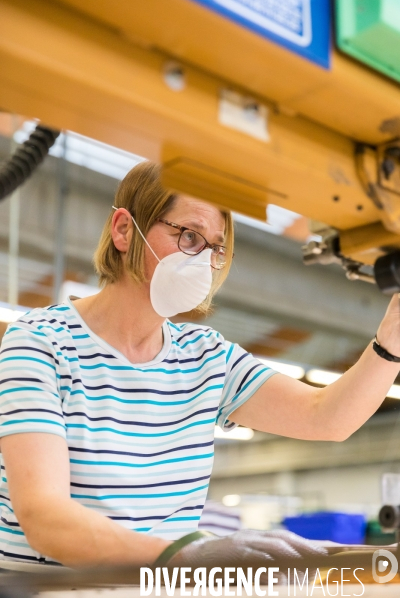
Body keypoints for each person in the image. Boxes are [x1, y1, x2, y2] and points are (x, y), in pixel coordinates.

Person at [0, 161, 399, 569]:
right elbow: (44, 518)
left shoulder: (206, 357)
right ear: (123, 230)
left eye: (215, 247)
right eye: (190, 237)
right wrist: (185, 556)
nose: (204, 260)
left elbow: (327, 418)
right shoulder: (40, 342)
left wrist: (391, 341)